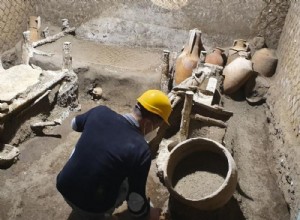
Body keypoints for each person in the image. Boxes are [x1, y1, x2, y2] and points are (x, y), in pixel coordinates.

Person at [56, 90, 172, 220]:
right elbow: (135, 200)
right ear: (149, 123)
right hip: (92, 208)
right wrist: (148, 214)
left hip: (64, 185)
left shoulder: (101, 112)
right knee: (128, 180)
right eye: (157, 126)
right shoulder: (140, 149)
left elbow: (75, 124)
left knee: (85, 146)